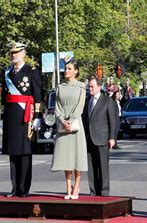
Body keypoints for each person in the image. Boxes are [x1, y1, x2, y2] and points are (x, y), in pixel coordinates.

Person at [0, 42, 42, 198]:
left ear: (24, 53)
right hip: (11, 116)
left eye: (17, 52)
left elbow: (38, 95)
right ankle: (14, 187)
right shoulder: (7, 73)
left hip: (26, 116)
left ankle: (24, 187)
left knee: (24, 152)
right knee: (13, 152)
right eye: (12, 53)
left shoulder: (31, 72)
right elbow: (4, 97)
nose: (14, 55)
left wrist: (37, 116)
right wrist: (3, 115)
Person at [50, 59, 87, 199]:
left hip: (76, 124)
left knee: (77, 157)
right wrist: (62, 120)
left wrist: (70, 121)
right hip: (62, 124)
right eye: (65, 68)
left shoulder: (81, 86)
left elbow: (80, 106)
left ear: (76, 71)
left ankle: (76, 187)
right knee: (66, 157)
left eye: (70, 68)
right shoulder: (59, 87)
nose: (66, 71)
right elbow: (57, 107)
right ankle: (68, 188)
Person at [82, 76, 118, 196]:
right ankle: (93, 192)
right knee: (91, 168)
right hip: (88, 139)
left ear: (98, 87)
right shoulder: (87, 101)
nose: (90, 89)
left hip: (102, 139)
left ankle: (104, 192)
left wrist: (112, 137)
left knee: (103, 168)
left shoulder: (107, 101)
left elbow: (113, 121)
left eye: (92, 86)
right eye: (89, 87)